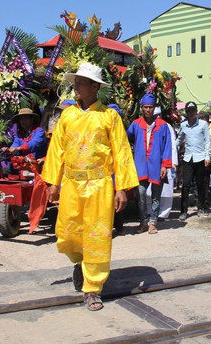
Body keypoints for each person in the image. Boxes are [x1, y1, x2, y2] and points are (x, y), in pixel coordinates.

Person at [42, 62, 138, 311]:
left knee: (97, 236)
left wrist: (121, 188)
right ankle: (79, 262)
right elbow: (57, 150)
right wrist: (53, 182)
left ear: (95, 87)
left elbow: (121, 152)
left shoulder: (109, 116)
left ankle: (92, 288)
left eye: (81, 82)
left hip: (99, 184)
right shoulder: (67, 115)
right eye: (76, 82)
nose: (76, 86)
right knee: (67, 233)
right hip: (72, 183)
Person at [126, 94, 172, 234]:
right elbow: (127, 139)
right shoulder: (136, 124)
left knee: (156, 196)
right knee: (140, 193)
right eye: (145, 107)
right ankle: (143, 222)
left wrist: (165, 165)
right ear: (142, 108)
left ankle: (153, 222)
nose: (148, 110)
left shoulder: (163, 126)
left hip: (157, 165)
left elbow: (167, 146)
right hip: (140, 165)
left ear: (154, 108)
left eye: (150, 107)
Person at [175, 101, 211, 220]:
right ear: (186, 112)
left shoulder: (203, 124)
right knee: (186, 184)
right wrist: (171, 148)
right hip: (188, 158)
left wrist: (207, 156)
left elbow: (207, 141)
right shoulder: (183, 125)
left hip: (200, 158)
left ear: (196, 112)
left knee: (200, 184)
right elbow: (179, 139)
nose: (191, 113)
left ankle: (200, 207)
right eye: (189, 111)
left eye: (193, 110)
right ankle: (183, 211)